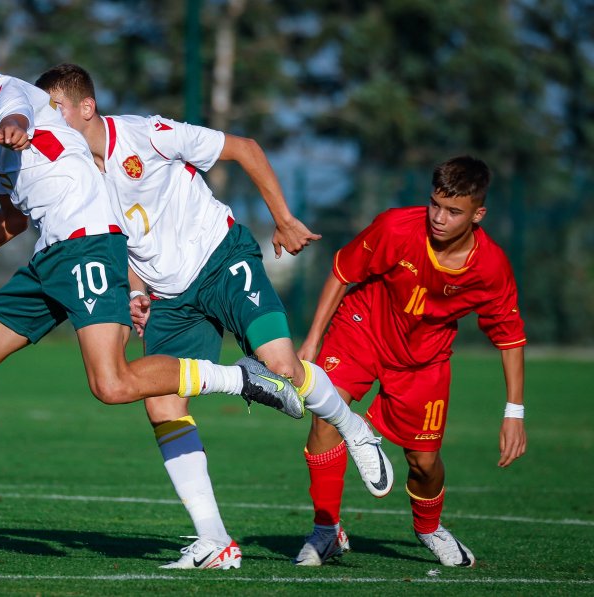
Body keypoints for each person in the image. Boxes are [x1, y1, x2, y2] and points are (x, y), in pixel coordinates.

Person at [0, 32, 302, 561]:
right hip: (52, 256)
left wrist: (16, 125)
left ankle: (241, 377)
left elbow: (17, 109)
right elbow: (12, 218)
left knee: (111, 384)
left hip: (89, 249)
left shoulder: (3, 99)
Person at [34, 63, 395, 570]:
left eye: (55, 112)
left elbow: (245, 148)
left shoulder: (147, 134)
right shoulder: (72, 175)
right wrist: (136, 291)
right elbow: (123, 240)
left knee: (284, 365)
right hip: (168, 297)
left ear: (87, 108)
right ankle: (215, 540)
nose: (45, 124)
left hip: (222, 260)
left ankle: (353, 428)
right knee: (161, 403)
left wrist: (284, 218)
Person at [293, 155, 527, 568]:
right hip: (361, 330)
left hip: (424, 360)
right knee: (325, 417)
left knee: (423, 463)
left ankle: (429, 528)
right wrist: (312, 341)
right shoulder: (396, 227)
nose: (438, 217)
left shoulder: (491, 267)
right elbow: (342, 272)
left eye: (454, 211)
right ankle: (327, 531)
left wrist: (514, 412)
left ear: (479, 214)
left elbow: (509, 337)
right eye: (435, 204)